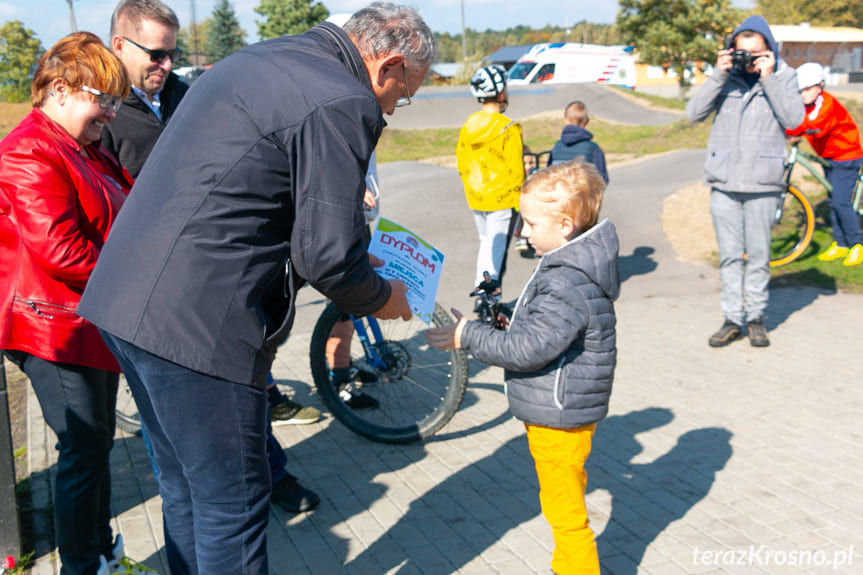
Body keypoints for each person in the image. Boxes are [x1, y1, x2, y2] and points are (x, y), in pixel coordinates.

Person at [77, 3, 435, 572]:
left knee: (185, 489)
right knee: (231, 507)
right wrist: (384, 298)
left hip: (125, 303)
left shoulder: (266, 56)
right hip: (202, 328)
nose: (393, 107)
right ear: (387, 64)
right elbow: (330, 259)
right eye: (404, 93)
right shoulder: (343, 98)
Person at [105, 0, 320, 515]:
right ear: (119, 46)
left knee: (245, 394)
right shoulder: (105, 115)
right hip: (156, 292)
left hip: (220, 277)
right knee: (176, 436)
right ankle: (202, 516)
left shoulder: (190, 96)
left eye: (172, 54)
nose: (165, 66)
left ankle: (272, 478)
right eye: (155, 54)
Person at [426, 160, 620, 575]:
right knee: (562, 505)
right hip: (559, 412)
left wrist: (469, 336)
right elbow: (543, 324)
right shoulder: (569, 265)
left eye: (530, 223)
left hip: (559, 417)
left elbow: (528, 349)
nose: (523, 231)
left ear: (565, 224)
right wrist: (505, 318)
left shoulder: (567, 279)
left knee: (566, 519)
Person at [0, 31, 145, 575]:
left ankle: (101, 553)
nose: (110, 113)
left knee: (95, 448)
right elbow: (63, 251)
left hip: (84, 319)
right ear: (59, 89)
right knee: (83, 452)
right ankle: (81, 567)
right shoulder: (27, 150)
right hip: (52, 330)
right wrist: (140, 282)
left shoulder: (82, 145)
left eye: (114, 101)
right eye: (101, 99)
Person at [686, 15, 804, 348]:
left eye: (755, 52)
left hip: (763, 183)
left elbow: (795, 119)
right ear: (731, 51)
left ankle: (755, 318)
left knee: (760, 256)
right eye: (742, 52)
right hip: (724, 182)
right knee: (729, 257)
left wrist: (769, 79)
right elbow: (693, 113)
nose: (748, 59)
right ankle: (732, 319)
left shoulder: (785, 77)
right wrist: (718, 73)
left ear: (769, 51)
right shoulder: (725, 78)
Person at [786, 62, 863, 267]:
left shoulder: (827, 105)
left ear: (820, 86)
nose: (803, 94)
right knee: (833, 200)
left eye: (808, 89)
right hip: (830, 157)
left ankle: (857, 244)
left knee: (841, 202)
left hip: (846, 156)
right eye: (800, 90)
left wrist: (791, 131)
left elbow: (815, 126)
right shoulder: (806, 104)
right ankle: (840, 243)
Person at [457, 64, 525, 290]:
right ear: (501, 93)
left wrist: (471, 187)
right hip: (503, 199)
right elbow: (516, 170)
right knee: (497, 252)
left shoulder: (469, 125)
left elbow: (462, 161)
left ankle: (480, 290)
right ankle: (490, 300)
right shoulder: (508, 128)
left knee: (485, 243)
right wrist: (520, 201)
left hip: (476, 196)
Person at [548, 100, 609, 184]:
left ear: (565, 120)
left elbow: (547, 176)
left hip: (558, 195)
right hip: (584, 196)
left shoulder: (556, 148)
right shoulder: (594, 149)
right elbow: (602, 180)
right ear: (587, 121)